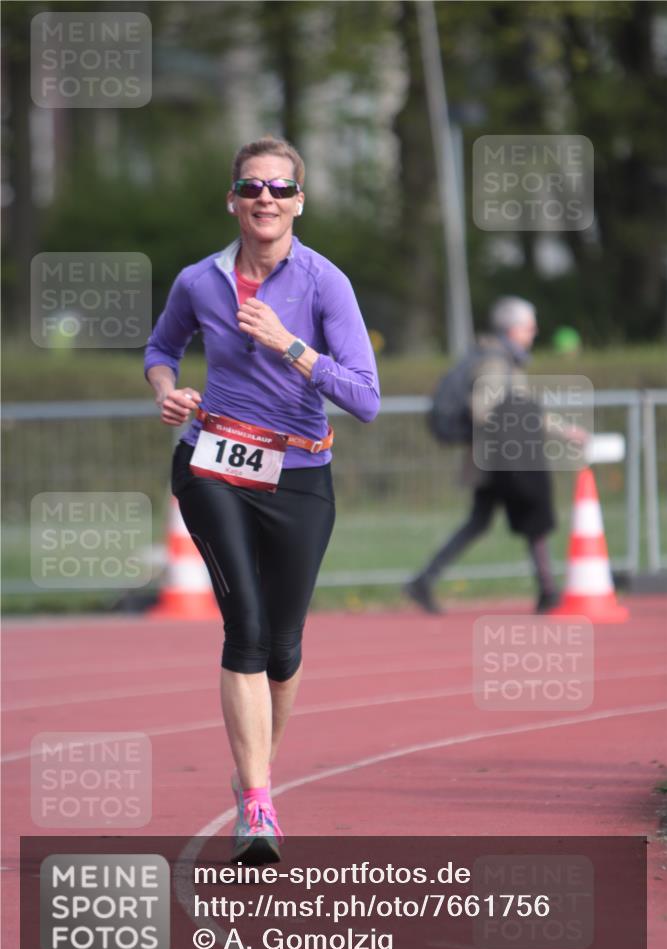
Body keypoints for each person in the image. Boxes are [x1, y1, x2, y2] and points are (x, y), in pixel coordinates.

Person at [144, 136, 380, 862]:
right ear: (233, 200)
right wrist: (168, 392)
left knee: (282, 645)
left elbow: (366, 398)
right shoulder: (198, 281)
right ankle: (257, 807)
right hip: (211, 463)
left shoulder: (323, 282)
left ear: (298, 202)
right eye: (252, 188)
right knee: (243, 628)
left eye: (280, 188)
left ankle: (255, 779)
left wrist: (289, 345)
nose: (265, 199)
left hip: (299, 474)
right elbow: (160, 350)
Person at [405, 296, 583, 616]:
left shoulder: (502, 360)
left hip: (498, 459)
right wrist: (527, 427)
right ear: (513, 329)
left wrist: (561, 430)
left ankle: (424, 581)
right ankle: (547, 591)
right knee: (531, 519)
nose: (534, 332)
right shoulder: (497, 363)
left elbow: (520, 411)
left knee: (483, 522)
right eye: (529, 326)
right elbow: (483, 409)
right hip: (501, 461)